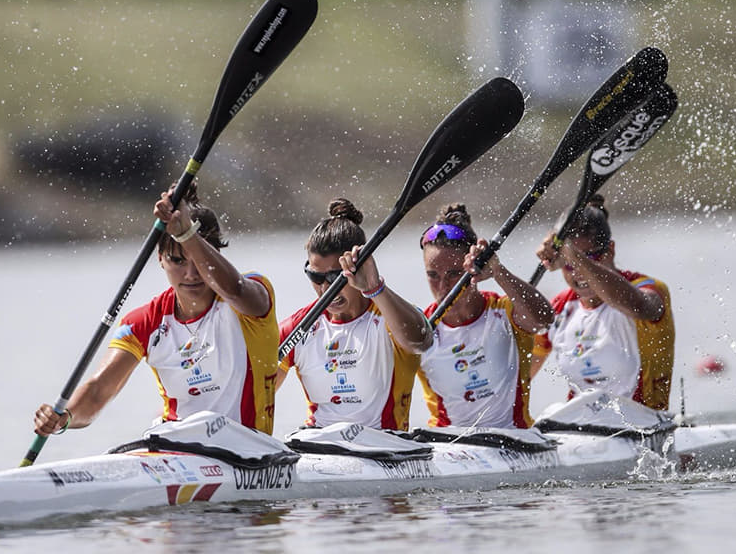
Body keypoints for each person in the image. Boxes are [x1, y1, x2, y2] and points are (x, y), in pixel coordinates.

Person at [34, 182, 279, 436]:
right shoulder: (144, 322)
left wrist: (187, 234)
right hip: (174, 447)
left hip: (248, 451)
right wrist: (64, 418)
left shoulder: (252, 295)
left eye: (198, 260)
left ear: (215, 254)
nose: (191, 274)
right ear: (160, 258)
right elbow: (98, 391)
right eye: (177, 260)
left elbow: (235, 290)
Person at [277, 198, 433, 431]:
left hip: (382, 447)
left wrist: (374, 288)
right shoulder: (299, 327)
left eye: (334, 277)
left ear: (358, 268)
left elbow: (421, 341)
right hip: (317, 446)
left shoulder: (389, 317)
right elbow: (259, 390)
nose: (325, 289)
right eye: (316, 277)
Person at [532, 194, 675, 411]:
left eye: (589, 258)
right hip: (578, 431)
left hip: (642, 428)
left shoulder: (647, 289)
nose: (579, 272)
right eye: (569, 264)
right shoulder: (560, 307)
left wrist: (572, 255)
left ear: (610, 251)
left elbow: (642, 308)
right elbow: (515, 377)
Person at [417, 204, 554, 429]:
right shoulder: (419, 328)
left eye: (453, 274)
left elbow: (543, 319)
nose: (443, 286)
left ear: (472, 267)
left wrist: (498, 272)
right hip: (446, 445)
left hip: (511, 440)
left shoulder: (504, 311)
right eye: (433, 275)